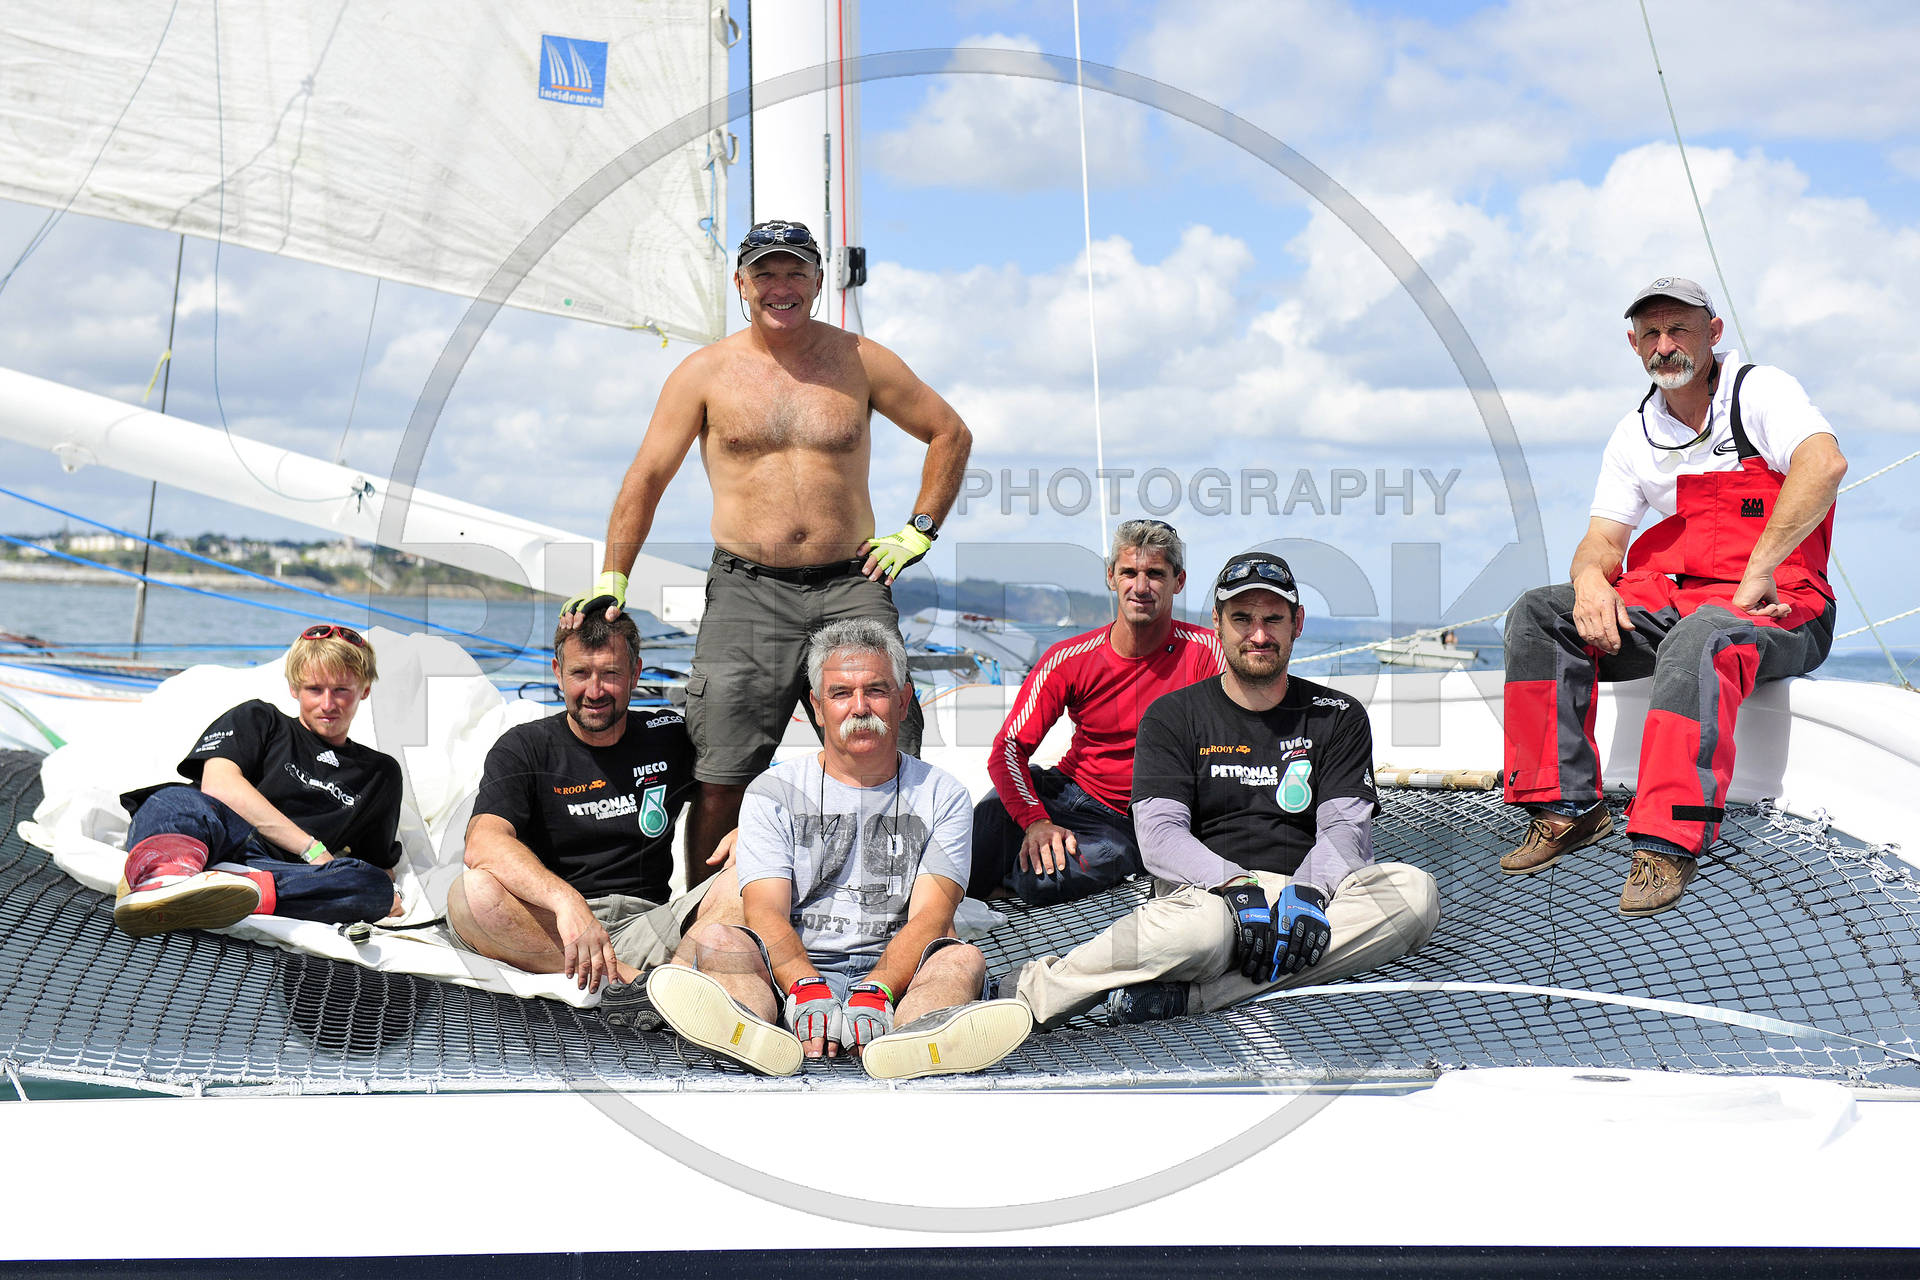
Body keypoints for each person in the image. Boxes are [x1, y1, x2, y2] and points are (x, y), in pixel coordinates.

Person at [561, 219, 973, 877]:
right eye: (765, 273)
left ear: (817, 281)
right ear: (741, 283)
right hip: (746, 590)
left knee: (888, 751)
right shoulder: (704, 373)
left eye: (794, 272)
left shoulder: (861, 360)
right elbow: (647, 475)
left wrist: (919, 529)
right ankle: (706, 918)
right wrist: (614, 576)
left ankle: (888, 906)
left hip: (853, 583)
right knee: (722, 772)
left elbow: (949, 432)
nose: (780, 286)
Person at [1501, 277, 1847, 917]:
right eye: (1651, 333)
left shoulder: (1759, 392)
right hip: (1681, 600)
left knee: (1702, 635)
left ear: (1713, 333)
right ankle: (1564, 808)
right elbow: (1602, 540)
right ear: (1634, 345)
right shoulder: (1633, 433)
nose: (1665, 345)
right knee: (1539, 615)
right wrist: (1589, 583)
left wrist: (1761, 567)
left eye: (1679, 329)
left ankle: (1667, 841)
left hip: (1784, 606)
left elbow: (1823, 466)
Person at [1013, 552, 1440, 1030]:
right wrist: (1235, 885)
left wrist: (1308, 892)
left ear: (1297, 624)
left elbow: (1344, 829)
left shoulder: (1337, 714)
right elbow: (1159, 835)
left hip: (1307, 894)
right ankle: (1028, 997)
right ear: (1217, 623)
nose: (1258, 635)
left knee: (1414, 896)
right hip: (1206, 897)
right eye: (1242, 619)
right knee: (1205, 934)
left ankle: (1191, 999)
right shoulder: (1172, 715)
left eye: (1273, 619)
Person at [646, 618, 1032, 1079]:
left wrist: (878, 990)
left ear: (903, 701)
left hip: (896, 974)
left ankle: (914, 1036)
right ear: (816, 705)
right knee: (719, 940)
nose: (860, 707)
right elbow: (765, 910)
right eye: (841, 693)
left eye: (876, 691)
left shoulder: (942, 794)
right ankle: (753, 1030)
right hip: (791, 970)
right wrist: (805, 986)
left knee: (961, 959)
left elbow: (932, 916)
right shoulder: (773, 791)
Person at [448, 611, 742, 1025]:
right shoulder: (525, 746)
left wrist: (749, 827)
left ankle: (668, 984)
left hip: (652, 924)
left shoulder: (669, 734)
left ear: (636, 673)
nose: (594, 690)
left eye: (611, 673)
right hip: (555, 931)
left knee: (749, 873)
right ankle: (646, 988)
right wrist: (567, 903)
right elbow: (483, 842)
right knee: (470, 893)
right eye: (580, 673)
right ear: (557, 672)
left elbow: (733, 781)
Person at [971, 518, 1223, 905]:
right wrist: (1037, 821)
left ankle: (1010, 877)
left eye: (1155, 574)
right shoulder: (1069, 658)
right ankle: (975, 888)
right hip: (1068, 791)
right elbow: (1008, 748)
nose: (1141, 587)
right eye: (1129, 573)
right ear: (1111, 577)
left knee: (1049, 879)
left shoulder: (1209, 652)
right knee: (980, 827)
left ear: (1179, 581)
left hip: (1133, 822)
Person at [114, 624, 403, 938]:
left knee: (373, 887)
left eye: (341, 690)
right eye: (314, 689)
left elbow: (378, 863)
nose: (327, 704)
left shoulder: (380, 773)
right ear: (294, 688)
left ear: (364, 690)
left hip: (277, 869)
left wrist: (385, 891)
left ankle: (229, 887)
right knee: (173, 800)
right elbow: (219, 784)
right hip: (216, 835)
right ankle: (166, 877)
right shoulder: (261, 719)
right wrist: (312, 849)